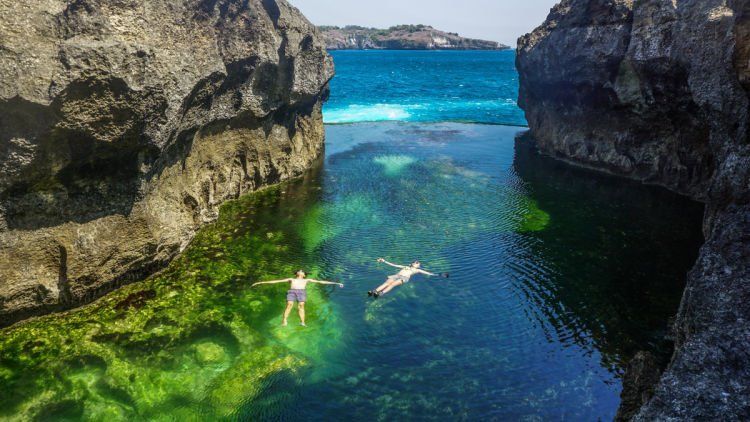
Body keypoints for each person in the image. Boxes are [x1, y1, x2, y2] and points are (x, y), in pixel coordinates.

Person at [252, 270, 343, 326]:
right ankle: (284, 320)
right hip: (292, 291)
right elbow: (276, 281)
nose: (300, 271)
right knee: (289, 305)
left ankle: (302, 322)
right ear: (297, 274)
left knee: (301, 306)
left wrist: (336, 283)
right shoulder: (291, 279)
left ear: (304, 275)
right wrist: (261, 282)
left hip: (301, 292)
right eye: (299, 270)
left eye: (302, 271)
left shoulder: (307, 280)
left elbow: (321, 282)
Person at [368, 258, 443, 297]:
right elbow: (394, 265)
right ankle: (374, 291)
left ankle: (381, 293)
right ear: (412, 263)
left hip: (404, 278)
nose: (417, 263)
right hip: (396, 275)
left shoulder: (418, 270)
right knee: (386, 283)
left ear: (418, 266)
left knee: (392, 285)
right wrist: (384, 261)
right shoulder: (405, 266)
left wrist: (438, 275)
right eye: (416, 262)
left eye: (418, 263)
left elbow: (428, 273)